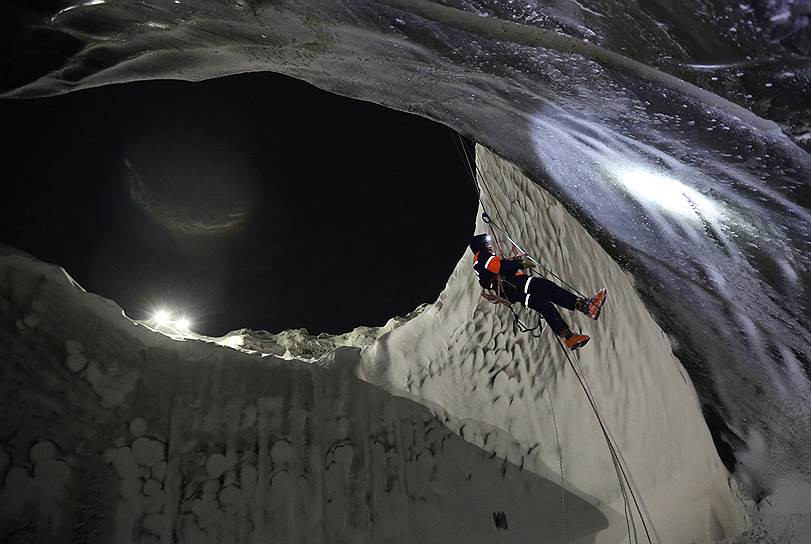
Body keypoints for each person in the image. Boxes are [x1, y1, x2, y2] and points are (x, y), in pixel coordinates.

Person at [470, 233, 606, 350]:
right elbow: (501, 267)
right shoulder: (481, 255)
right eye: (486, 242)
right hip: (516, 284)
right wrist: (519, 264)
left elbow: (497, 270)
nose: (489, 245)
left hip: (512, 292)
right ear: (480, 245)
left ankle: (569, 338)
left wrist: (515, 262)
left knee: (544, 305)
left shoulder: (479, 262)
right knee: (549, 289)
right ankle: (587, 307)